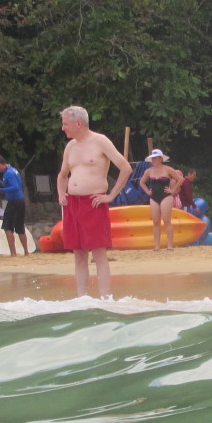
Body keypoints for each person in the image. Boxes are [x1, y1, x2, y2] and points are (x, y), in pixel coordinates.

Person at [57, 106, 132, 297]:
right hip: (73, 203)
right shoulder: (70, 146)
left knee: (98, 253)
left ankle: (105, 297)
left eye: (65, 124)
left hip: (93, 202)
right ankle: (82, 297)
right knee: (79, 254)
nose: (63, 128)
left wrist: (111, 195)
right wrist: (61, 194)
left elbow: (125, 168)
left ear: (78, 123)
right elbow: (62, 175)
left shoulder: (100, 141)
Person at [139, 149, 183, 251]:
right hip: (154, 197)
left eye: (155, 158)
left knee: (167, 221)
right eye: (152, 158)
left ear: (160, 158)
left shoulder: (168, 169)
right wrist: (147, 191)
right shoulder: (149, 171)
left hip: (166, 196)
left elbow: (180, 179)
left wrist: (173, 190)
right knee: (155, 222)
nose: (153, 160)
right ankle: (157, 246)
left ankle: (170, 245)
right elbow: (141, 182)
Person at [0, 155, 29, 256]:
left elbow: (15, 187)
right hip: (20, 199)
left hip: (14, 201)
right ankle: (26, 251)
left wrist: (0, 190)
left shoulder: (8, 173)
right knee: (20, 226)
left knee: (7, 226)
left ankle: (13, 253)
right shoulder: (13, 170)